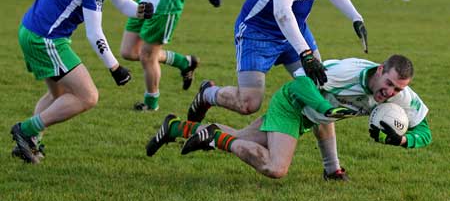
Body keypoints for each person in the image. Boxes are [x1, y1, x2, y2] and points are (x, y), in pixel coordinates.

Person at [186, 0, 368, 166]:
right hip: (258, 32)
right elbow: (281, 12)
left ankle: (333, 168)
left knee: (318, 92)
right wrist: (306, 54)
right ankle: (208, 94)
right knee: (249, 103)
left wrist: (356, 17)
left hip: (295, 30)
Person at [146, 54, 431, 180]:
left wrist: (404, 140)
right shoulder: (347, 73)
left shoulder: (400, 98)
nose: (390, 92)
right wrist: (324, 107)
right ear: (381, 69)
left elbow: (426, 131)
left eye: (398, 89)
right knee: (275, 168)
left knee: (244, 139)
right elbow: (299, 82)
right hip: (292, 105)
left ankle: (175, 128)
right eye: (389, 83)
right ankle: (214, 137)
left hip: (307, 117)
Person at [11, 0, 154, 164]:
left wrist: (141, 10)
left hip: (34, 30)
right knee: (88, 96)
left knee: (59, 94)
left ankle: (29, 143)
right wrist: (115, 68)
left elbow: (121, 3)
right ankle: (25, 130)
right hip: (45, 38)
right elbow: (94, 32)